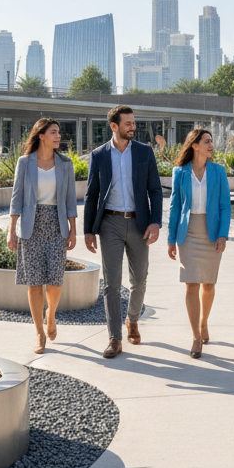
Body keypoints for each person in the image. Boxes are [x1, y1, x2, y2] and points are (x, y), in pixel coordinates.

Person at [83, 105, 164, 359]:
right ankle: (114, 338)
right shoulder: (99, 155)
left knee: (139, 279)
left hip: (139, 223)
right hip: (110, 223)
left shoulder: (144, 152)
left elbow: (155, 190)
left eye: (133, 122)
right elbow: (91, 194)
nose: (133, 127)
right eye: (128, 123)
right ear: (114, 126)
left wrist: (155, 221)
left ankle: (132, 320)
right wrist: (88, 230)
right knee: (111, 284)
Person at [7, 118, 78, 355]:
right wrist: (12, 230)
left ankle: (51, 314)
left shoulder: (65, 164)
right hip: (31, 226)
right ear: (41, 136)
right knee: (34, 282)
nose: (58, 136)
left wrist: (73, 229)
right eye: (54, 132)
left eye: (59, 133)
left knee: (55, 280)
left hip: (57, 226)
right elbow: (16, 198)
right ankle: (38, 332)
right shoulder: (24, 163)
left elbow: (70, 200)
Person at [166, 127, 231, 359]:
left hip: (212, 231)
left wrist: (223, 234)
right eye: (206, 141)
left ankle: (204, 323)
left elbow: (225, 205)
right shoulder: (180, 172)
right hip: (188, 232)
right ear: (194, 145)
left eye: (211, 141)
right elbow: (175, 207)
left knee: (208, 284)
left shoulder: (218, 171)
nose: (211, 145)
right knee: (191, 284)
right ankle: (195, 337)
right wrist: (171, 239)